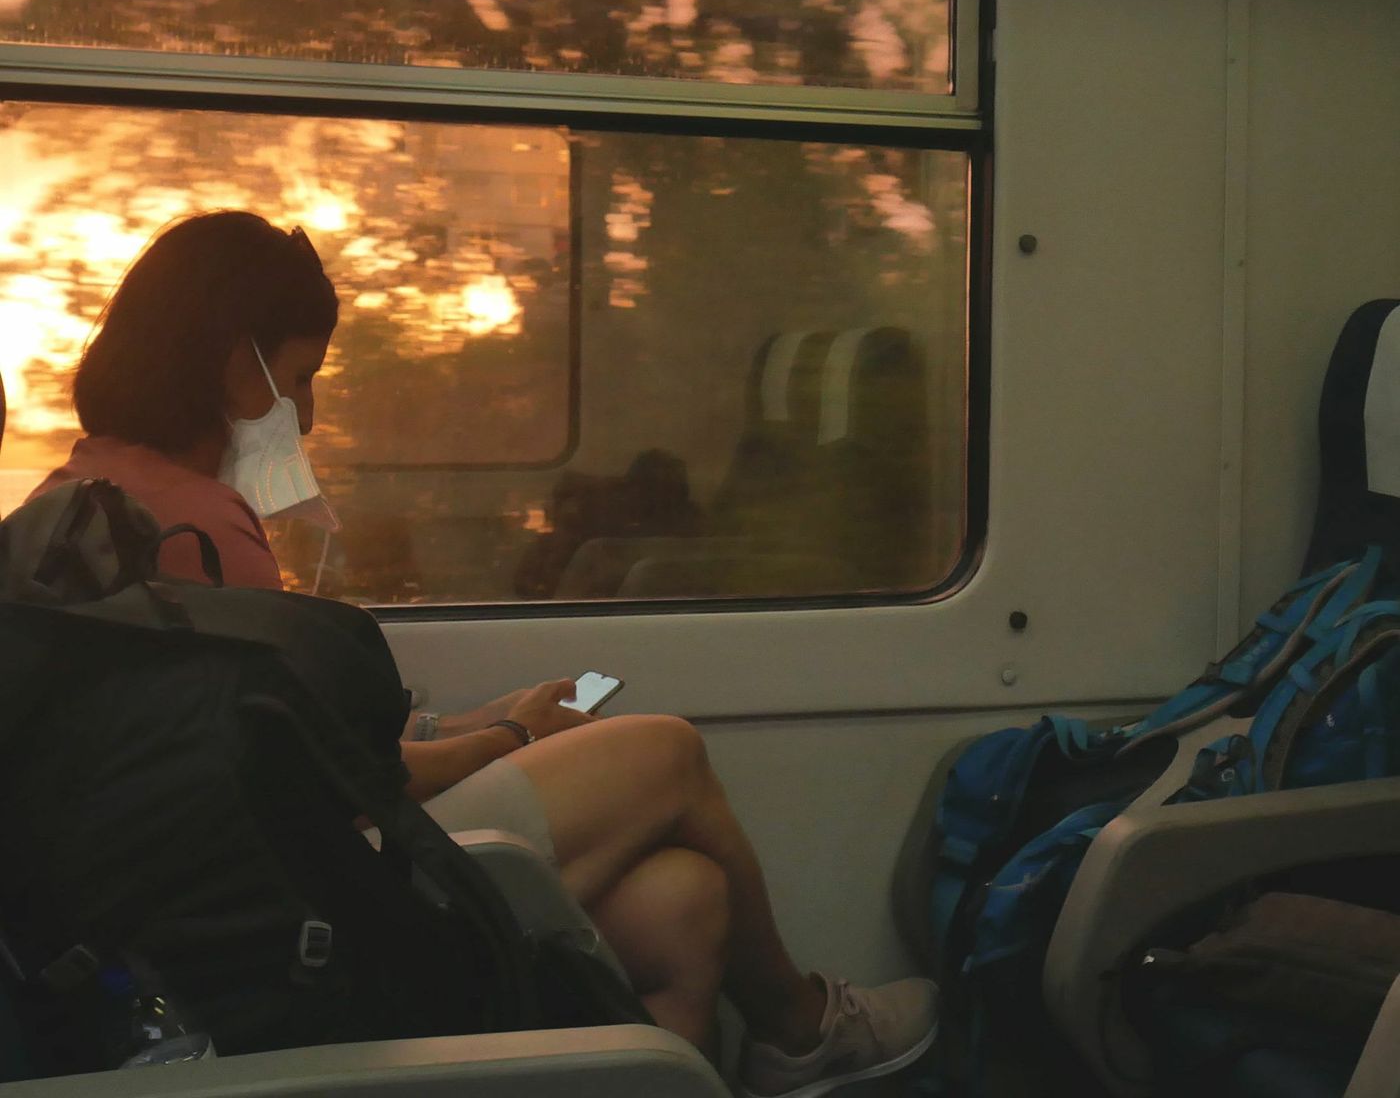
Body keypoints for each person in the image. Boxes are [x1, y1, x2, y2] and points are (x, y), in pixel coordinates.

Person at [30, 211, 937, 1095]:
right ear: (238, 368)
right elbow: (344, 787)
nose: (306, 415)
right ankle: (800, 1026)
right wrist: (509, 736)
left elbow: (280, 743)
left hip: (273, 877)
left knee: (683, 904)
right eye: (301, 378)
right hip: (336, 904)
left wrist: (462, 723)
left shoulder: (80, 502)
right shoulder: (197, 529)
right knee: (667, 750)